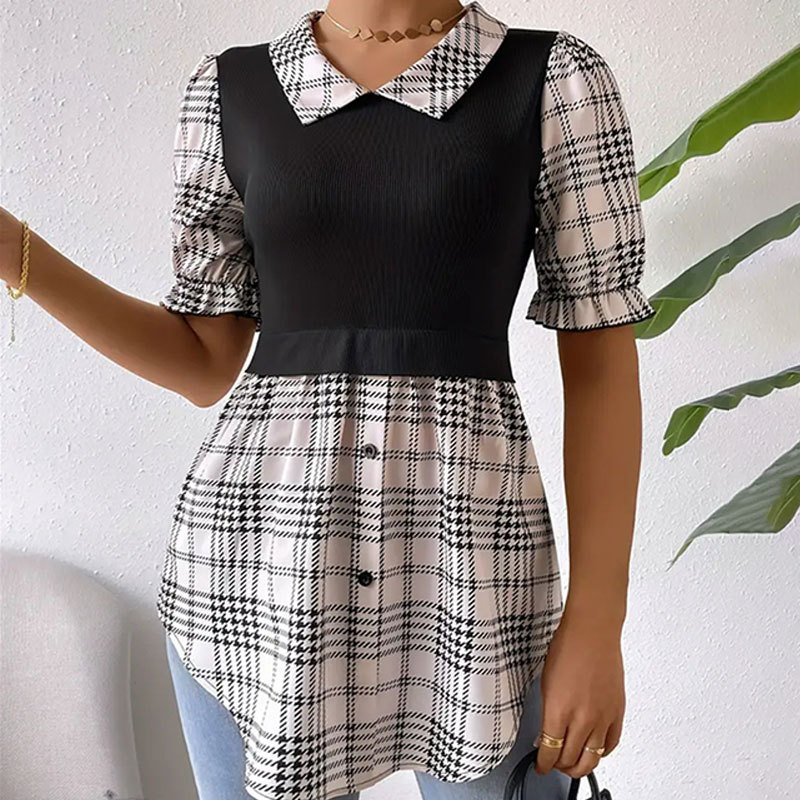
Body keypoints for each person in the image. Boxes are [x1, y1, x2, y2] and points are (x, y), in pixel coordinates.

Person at [0, 1, 655, 798]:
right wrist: (15, 250)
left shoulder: (552, 81)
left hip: (475, 574)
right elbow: (203, 362)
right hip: (253, 575)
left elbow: (600, 360)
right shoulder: (231, 90)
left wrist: (597, 620)